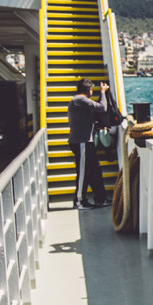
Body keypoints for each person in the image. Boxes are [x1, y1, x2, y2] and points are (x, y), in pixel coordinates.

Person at [68, 78, 110, 209]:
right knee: (83, 172)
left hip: (86, 141)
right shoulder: (79, 100)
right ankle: (79, 201)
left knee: (94, 170)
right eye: (92, 89)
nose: (93, 92)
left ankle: (101, 199)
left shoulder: (80, 102)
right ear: (88, 90)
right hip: (81, 142)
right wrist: (103, 92)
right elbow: (102, 108)